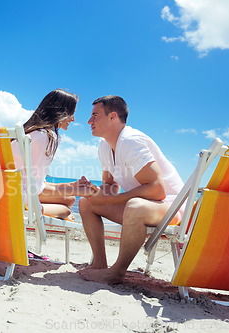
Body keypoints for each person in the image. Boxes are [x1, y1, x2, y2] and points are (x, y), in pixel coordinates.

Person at [78, 95, 184, 284]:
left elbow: (157, 189)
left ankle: (117, 272)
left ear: (112, 117)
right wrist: (95, 192)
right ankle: (100, 264)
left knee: (135, 206)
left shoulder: (131, 141)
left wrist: (110, 200)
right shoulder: (104, 146)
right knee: (86, 202)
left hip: (172, 207)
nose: (89, 121)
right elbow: (110, 185)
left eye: (95, 115)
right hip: (145, 206)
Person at [12, 89, 97, 220]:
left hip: (10, 190)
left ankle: (46, 208)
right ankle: (39, 210)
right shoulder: (45, 137)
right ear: (60, 112)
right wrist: (78, 191)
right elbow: (34, 188)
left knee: (69, 199)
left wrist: (71, 186)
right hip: (20, 197)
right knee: (66, 209)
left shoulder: (30, 133)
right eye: (71, 113)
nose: (73, 119)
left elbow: (34, 181)